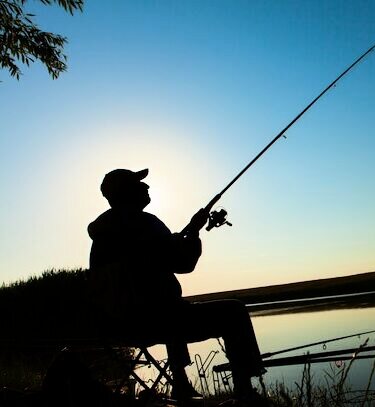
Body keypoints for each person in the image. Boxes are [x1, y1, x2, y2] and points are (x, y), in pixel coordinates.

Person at [88, 168, 264, 401]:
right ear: (126, 192)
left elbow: (154, 255)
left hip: (118, 326)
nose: (146, 187)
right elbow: (182, 262)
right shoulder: (144, 223)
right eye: (139, 184)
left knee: (170, 304)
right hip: (154, 322)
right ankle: (245, 394)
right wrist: (193, 235)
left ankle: (181, 384)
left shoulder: (103, 235)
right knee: (234, 311)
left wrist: (189, 229)